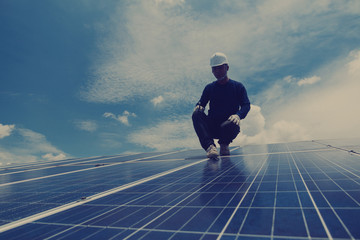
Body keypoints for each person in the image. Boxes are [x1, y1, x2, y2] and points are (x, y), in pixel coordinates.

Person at [192, 52, 250, 158]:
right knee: (196, 114)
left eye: (220, 68)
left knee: (232, 122)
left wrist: (238, 115)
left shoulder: (238, 87)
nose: (217, 72)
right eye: (214, 69)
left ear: (227, 67)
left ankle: (224, 144)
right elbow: (201, 103)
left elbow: (246, 105)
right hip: (212, 126)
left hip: (227, 128)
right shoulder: (209, 88)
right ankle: (210, 147)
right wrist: (198, 106)